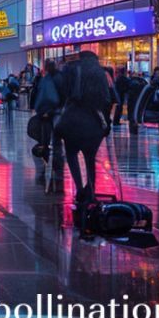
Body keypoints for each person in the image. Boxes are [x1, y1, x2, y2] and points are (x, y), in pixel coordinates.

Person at [57, 51, 111, 204]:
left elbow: (64, 92)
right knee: (90, 158)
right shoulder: (100, 73)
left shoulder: (73, 69)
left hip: (72, 119)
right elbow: (107, 99)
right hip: (92, 121)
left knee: (71, 154)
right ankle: (91, 190)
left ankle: (79, 187)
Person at [31, 59, 66, 192]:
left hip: (48, 113)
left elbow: (40, 95)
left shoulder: (47, 79)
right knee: (56, 142)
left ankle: (51, 163)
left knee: (48, 140)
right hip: (57, 112)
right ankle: (58, 167)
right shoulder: (59, 78)